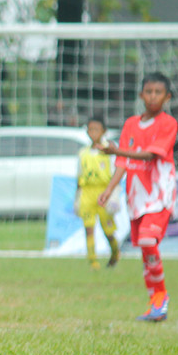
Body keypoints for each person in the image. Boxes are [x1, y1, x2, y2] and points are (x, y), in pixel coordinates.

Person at [98, 72, 177, 322]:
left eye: (158, 92)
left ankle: (161, 296)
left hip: (159, 193)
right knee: (144, 248)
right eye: (149, 91)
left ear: (167, 97)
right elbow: (122, 162)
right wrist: (110, 188)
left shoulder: (168, 124)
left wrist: (115, 150)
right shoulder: (131, 124)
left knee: (146, 239)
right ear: (141, 94)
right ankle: (155, 302)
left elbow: (150, 156)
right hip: (136, 195)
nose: (153, 96)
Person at [74, 115, 120, 270]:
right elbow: (79, 176)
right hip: (87, 193)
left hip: (103, 192)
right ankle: (93, 261)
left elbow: (116, 174)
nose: (93, 133)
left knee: (108, 229)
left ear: (104, 131)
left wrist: (113, 195)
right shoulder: (83, 153)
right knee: (88, 227)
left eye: (96, 129)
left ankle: (115, 252)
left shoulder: (109, 151)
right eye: (90, 129)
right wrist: (77, 197)